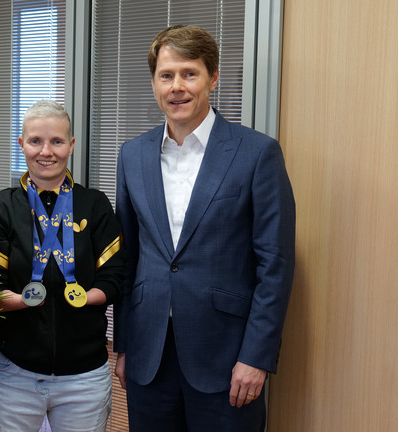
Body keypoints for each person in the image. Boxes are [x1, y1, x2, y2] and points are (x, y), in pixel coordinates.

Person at [113, 25, 296, 431]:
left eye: (189, 73)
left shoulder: (256, 153)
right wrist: (123, 346)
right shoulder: (132, 156)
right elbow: (126, 260)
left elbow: (275, 264)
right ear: (154, 83)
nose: (177, 87)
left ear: (212, 78)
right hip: (149, 358)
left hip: (228, 361)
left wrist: (256, 356)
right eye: (166, 75)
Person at [0, 100, 124, 432]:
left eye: (57, 141)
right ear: (22, 144)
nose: (46, 151)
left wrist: (87, 297)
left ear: (71, 145)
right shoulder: (3, 207)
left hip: (84, 378)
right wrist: (21, 301)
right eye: (35, 141)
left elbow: (116, 277)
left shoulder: (95, 205)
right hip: (16, 374)